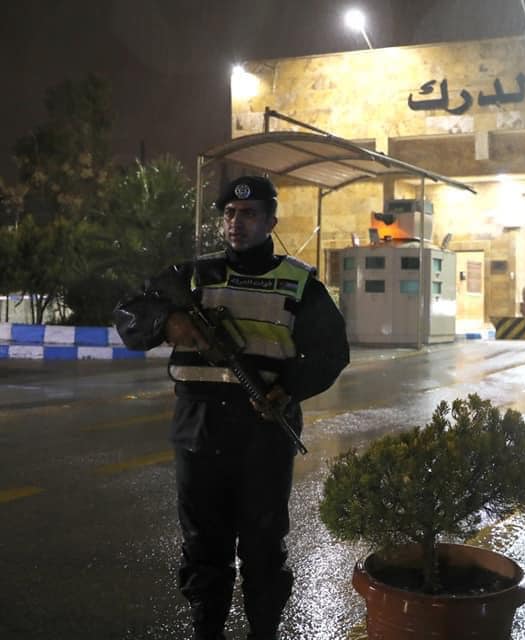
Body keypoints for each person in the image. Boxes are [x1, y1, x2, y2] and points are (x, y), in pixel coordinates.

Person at [113, 175, 350, 640]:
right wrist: (168, 321)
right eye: (229, 214)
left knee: (263, 547)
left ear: (271, 222)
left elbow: (332, 352)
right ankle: (207, 630)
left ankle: (264, 631)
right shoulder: (192, 276)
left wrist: (289, 388)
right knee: (203, 547)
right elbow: (128, 315)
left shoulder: (299, 282)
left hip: (264, 433)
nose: (236, 223)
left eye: (249, 214)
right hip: (199, 431)